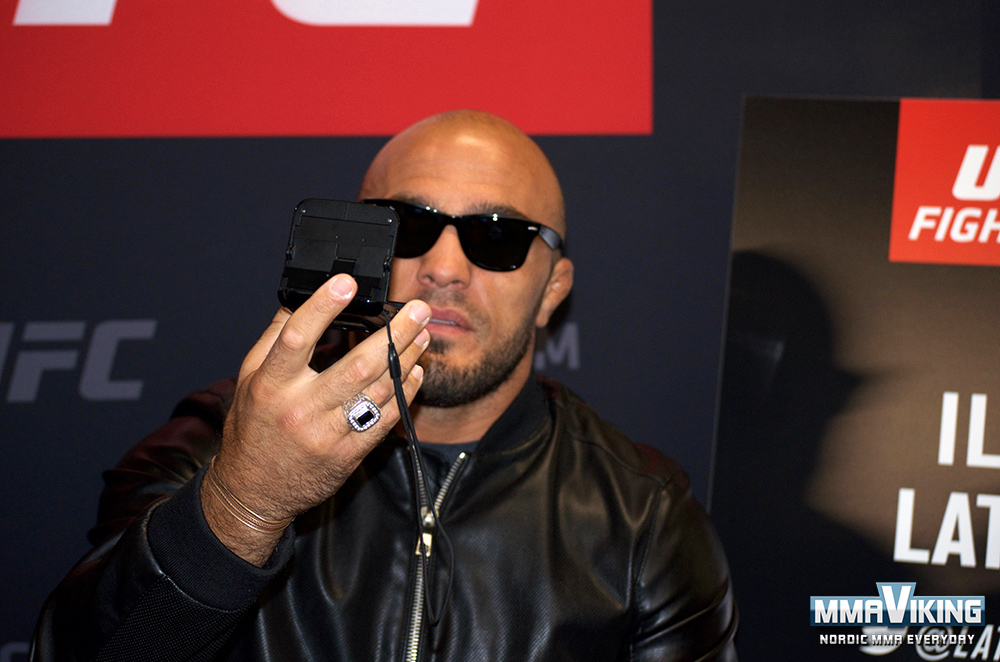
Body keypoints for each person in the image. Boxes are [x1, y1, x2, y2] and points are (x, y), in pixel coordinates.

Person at [31, 110, 737, 661]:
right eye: (408, 226)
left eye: (496, 236)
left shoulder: (641, 515)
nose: (444, 267)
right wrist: (246, 501)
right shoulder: (216, 443)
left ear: (553, 289)